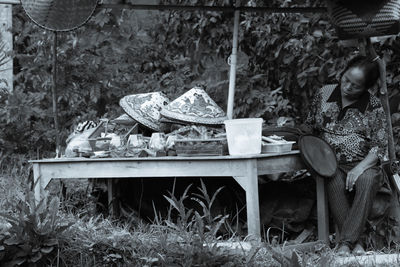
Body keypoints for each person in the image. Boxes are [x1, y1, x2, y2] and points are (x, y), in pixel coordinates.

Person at [304, 54, 389, 256]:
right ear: (342, 74)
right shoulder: (324, 94)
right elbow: (310, 127)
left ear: (366, 88)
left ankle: (345, 244)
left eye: (356, 86)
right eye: (346, 80)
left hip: (364, 163)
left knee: (367, 181)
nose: (348, 87)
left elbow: (380, 146)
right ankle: (356, 243)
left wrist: (359, 168)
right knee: (332, 181)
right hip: (330, 162)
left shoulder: (373, 105)